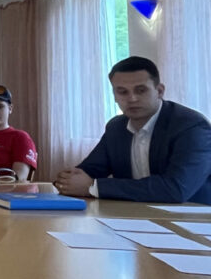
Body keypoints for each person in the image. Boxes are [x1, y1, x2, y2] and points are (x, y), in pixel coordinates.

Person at [55, 56, 211, 203]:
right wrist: (68, 181)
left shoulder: (191, 126)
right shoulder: (116, 127)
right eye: (122, 92)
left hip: (192, 216)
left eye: (141, 90)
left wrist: (94, 187)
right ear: (114, 96)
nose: (132, 99)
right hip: (133, 215)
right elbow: (87, 172)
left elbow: (176, 189)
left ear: (159, 91)